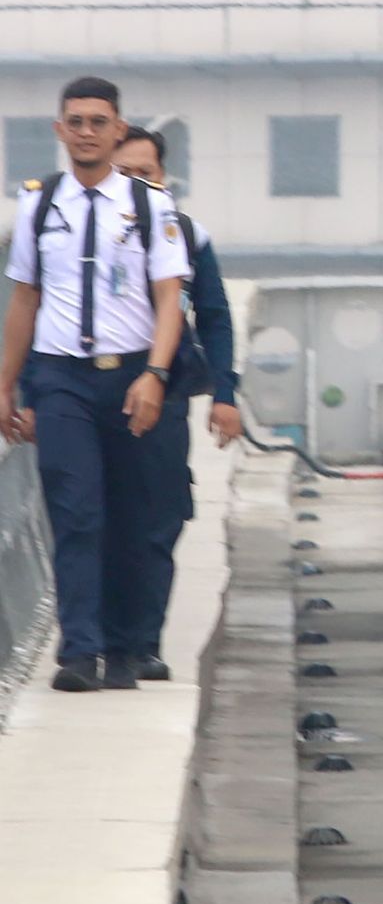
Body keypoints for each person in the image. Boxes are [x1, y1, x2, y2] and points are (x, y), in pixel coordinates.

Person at [0, 76, 188, 691]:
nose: (86, 132)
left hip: (130, 374)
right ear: (60, 130)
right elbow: (24, 299)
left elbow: (168, 298)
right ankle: (79, 650)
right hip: (61, 382)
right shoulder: (39, 204)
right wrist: (6, 387)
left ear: (117, 129)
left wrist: (156, 375)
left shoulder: (148, 206)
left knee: (132, 517)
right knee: (76, 512)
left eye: (97, 122)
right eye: (75, 122)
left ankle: (130, 648)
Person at [115, 125, 242, 681]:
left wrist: (225, 395)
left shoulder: (189, 237)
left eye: (148, 174)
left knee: (160, 520)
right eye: (127, 175)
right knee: (100, 519)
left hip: (164, 401)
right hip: (96, 397)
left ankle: (145, 643)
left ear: (165, 180)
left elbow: (214, 318)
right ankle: (98, 640)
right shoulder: (79, 241)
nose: (139, 185)